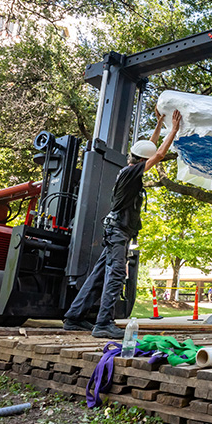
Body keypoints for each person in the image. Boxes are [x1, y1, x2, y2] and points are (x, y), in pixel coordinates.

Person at [63, 108, 183, 338]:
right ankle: (103, 324)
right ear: (141, 162)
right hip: (117, 232)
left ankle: (74, 317)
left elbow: (148, 148)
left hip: (116, 231)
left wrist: (159, 125)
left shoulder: (129, 169)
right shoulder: (131, 174)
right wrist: (174, 130)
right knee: (116, 274)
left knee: (99, 275)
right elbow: (156, 154)